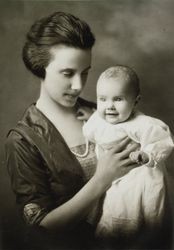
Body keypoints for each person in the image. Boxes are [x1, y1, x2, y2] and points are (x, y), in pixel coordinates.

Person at [5, 12, 139, 250]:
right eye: (68, 73)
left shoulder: (102, 113)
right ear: (40, 68)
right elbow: (41, 226)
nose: (79, 85)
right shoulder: (23, 140)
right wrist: (102, 179)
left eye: (85, 72)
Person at [83, 65, 174, 249]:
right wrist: (89, 116)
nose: (109, 106)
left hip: (140, 178)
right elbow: (93, 128)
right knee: (110, 218)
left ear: (135, 100)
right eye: (103, 99)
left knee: (139, 221)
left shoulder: (143, 124)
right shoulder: (99, 119)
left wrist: (146, 155)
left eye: (118, 99)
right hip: (113, 179)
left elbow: (163, 141)